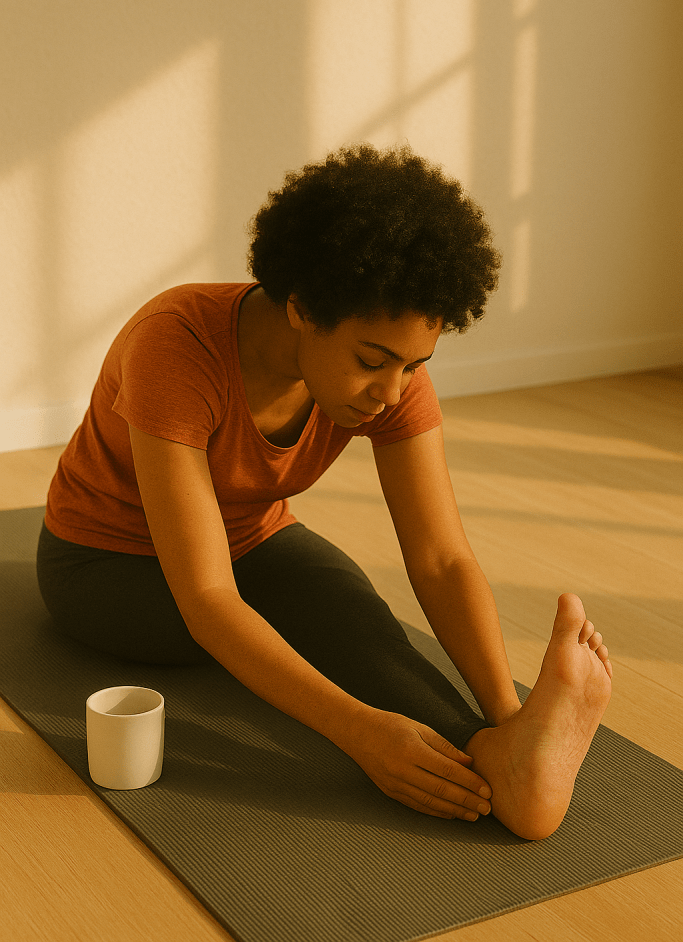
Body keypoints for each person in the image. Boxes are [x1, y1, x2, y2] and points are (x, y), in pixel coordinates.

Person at [36, 143, 612, 840]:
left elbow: (439, 557)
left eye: (413, 365)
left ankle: (505, 750)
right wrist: (360, 733)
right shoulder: (176, 346)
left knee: (353, 616)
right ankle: (479, 751)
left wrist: (506, 706)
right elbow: (209, 600)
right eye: (372, 362)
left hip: (253, 538)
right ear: (303, 308)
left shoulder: (388, 372)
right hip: (107, 563)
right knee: (271, 631)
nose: (391, 391)